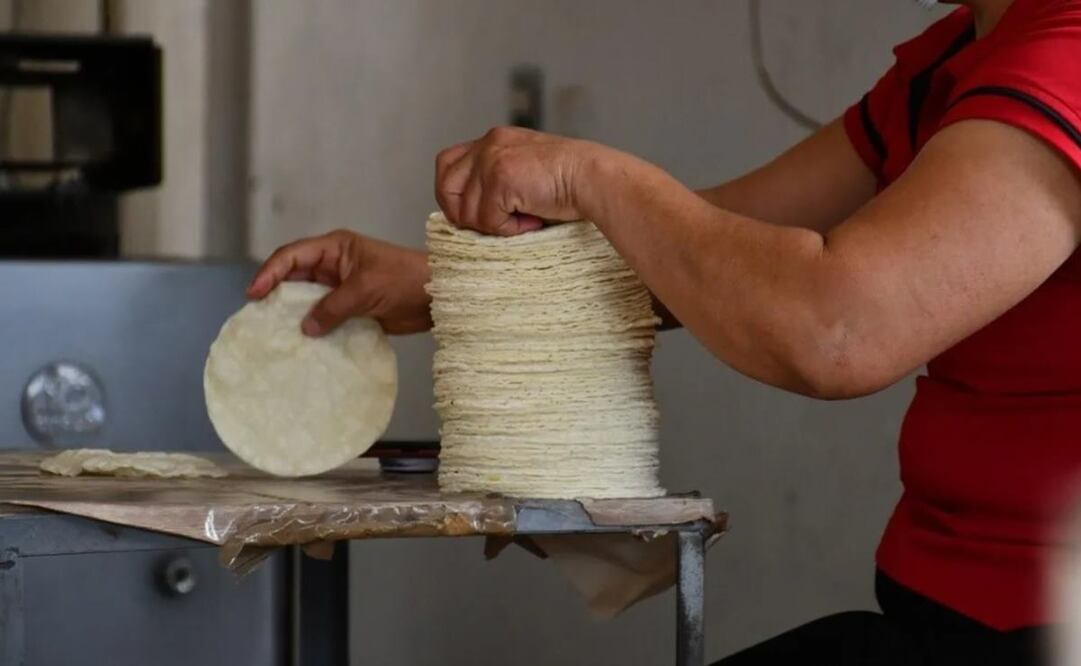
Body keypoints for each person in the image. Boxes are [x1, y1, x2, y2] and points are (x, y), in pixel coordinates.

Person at [249, 0, 1081, 663]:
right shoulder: (947, 63)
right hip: (931, 620)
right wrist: (441, 285)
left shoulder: (1066, 51)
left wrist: (592, 175)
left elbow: (833, 325)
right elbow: (713, 254)